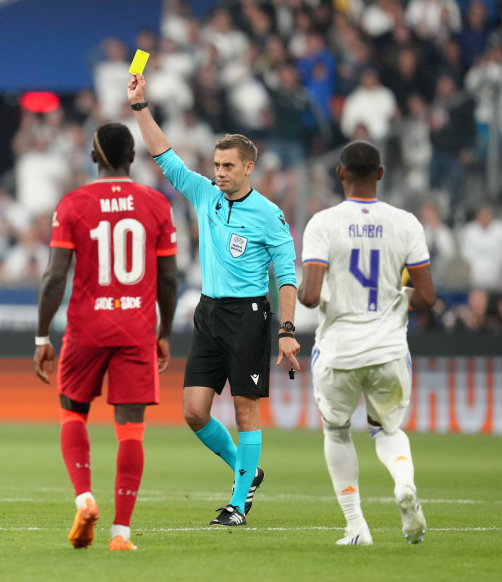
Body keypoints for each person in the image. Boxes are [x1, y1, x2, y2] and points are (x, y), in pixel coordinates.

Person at [127, 73, 300, 527]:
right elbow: (165, 157)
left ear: (248, 169)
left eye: (227, 166)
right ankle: (249, 472)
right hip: (209, 312)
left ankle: (238, 505)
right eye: (216, 165)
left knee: (246, 409)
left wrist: (286, 331)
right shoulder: (205, 195)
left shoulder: (268, 215)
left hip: (249, 316)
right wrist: (141, 107)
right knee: (193, 411)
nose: (219, 172)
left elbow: (286, 275)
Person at [34, 122, 179, 551]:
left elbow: (54, 276)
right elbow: (169, 280)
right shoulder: (156, 203)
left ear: (94, 158)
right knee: (131, 430)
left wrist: (42, 336)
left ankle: (84, 497)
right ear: (132, 158)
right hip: (136, 328)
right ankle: (121, 534)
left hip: (85, 329)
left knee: (72, 415)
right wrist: (164, 331)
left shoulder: (74, 203)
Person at [297, 140, 436, 546]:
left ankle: (357, 527)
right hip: (389, 348)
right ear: (380, 174)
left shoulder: (323, 223)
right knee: (387, 428)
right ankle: (404, 484)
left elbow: (308, 295)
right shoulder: (406, 222)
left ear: (339, 174)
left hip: (339, 349)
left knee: (337, 431)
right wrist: (400, 297)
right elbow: (427, 296)